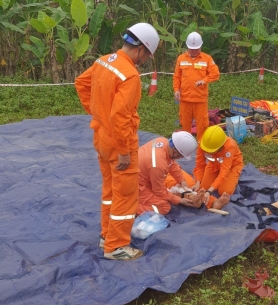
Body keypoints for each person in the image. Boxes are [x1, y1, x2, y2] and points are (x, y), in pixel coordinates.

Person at [75, 23, 159, 261]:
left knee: (110, 190)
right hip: (119, 143)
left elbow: (81, 83)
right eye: (147, 55)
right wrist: (124, 151)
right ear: (141, 49)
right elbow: (121, 116)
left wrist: (96, 111)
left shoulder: (104, 60)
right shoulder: (130, 75)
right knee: (125, 195)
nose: (145, 60)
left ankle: (106, 235)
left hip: (100, 137)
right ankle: (117, 246)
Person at [137, 131, 230, 214]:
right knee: (164, 206)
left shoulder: (163, 142)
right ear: (175, 152)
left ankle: (210, 202)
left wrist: (181, 180)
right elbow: (158, 190)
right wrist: (179, 201)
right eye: (181, 156)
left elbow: (171, 164)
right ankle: (129, 208)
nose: (180, 158)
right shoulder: (158, 164)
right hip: (136, 185)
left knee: (187, 183)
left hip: (149, 173)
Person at [173, 32, 220, 141]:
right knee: (185, 125)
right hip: (185, 99)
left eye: (196, 49)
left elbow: (215, 74)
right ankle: (185, 145)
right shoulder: (181, 58)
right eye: (191, 49)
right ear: (187, 46)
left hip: (200, 100)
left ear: (200, 46)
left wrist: (204, 80)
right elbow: (177, 76)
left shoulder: (207, 59)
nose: (194, 51)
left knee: (202, 125)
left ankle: (201, 146)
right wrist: (176, 90)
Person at [193, 125, 244, 207]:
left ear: (220, 147)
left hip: (232, 166)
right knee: (202, 188)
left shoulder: (230, 146)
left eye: (210, 151)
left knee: (224, 191)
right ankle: (213, 183)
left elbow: (224, 171)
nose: (207, 152)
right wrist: (198, 181)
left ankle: (234, 177)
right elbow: (200, 164)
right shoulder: (204, 144)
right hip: (214, 165)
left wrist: (209, 191)